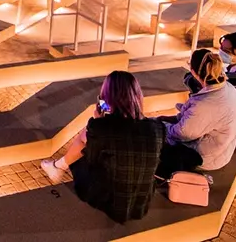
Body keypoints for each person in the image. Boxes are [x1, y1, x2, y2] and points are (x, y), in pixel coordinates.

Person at [40, 71, 165, 223]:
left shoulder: (102, 127)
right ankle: (58, 166)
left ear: (107, 97)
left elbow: (92, 158)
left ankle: (59, 166)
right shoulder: (156, 127)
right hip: (141, 204)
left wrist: (96, 123)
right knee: (90, 138)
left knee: (83, 149)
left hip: (108, 202)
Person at [157, 49, 236, 177]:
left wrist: (161, 126)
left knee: (154, 136)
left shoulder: (204, 103)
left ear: (193, 72)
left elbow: (182, 134)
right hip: (223, 151)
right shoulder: (229, 88)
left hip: (206, 157)